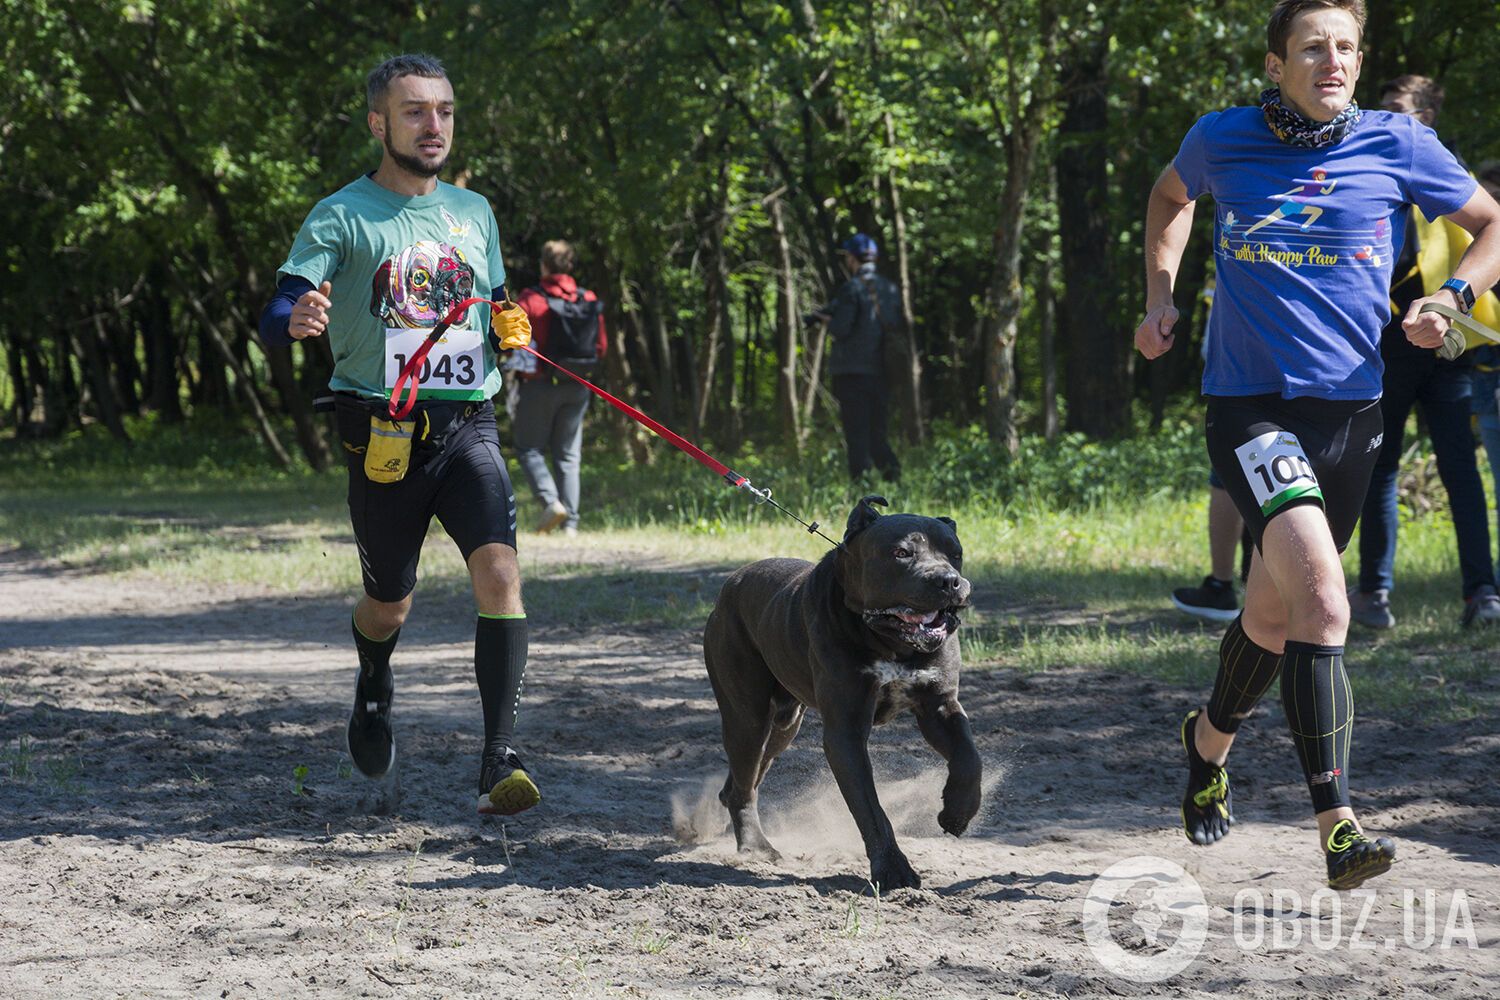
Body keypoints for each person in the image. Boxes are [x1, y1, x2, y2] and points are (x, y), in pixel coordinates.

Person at [1135, 0, 1500, 890]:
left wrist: (1449, 298)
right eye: (1312, 47)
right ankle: (1338, 823)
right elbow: (1169, 198)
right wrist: (1160, 293)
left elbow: (1492, 224)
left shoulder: (1398, 143)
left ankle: (1206, 745)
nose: (1332, 61)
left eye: (1345, 47)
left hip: (1352, 412)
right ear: (1276, 65)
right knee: (1326, 607)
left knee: (1270, 615)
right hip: (1250, 407)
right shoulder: (1222, 137)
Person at [257, 54, 542, 818]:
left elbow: (496, 298)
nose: (433, 125)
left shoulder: (474, 211)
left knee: (501, 574)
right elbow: (276, 311)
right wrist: (298, 319)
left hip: (469, 423)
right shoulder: (340, 215)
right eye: (415, 111)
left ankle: (497, 759)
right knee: (390, 605)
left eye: (444, 110)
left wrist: (512, 328)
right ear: (379, 122)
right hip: (380, 432)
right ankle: (375, 680)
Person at [1347, 75, 1500, 630]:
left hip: (1446, 334)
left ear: (1430, 111)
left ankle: (1481, 593)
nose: (1385, 116)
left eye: (1397, 108)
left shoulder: (1444, 170)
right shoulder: (1375, 162)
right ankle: (1374, 593)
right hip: (1390, 336)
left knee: (1457, 466)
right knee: (1380, 465)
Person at [510, 240, 607, 536]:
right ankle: (571, 526)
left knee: (528, 448)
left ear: (544, 265)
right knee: (568, 455)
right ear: (569, 266)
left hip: (539, 384)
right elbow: (600, 346)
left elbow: (513, 338)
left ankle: (551, 501)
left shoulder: (531, 299)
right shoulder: (587, 297)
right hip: (578, 385)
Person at [811, 233, 902, 481]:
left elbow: (842, 328)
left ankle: (860, 482)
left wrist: (824, 318)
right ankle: (893, 475)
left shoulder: (852, 288)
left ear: (852, 258)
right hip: (883, 370)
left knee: (857, 431)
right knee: (877, 431)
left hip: (853, 372)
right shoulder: (890, 289)